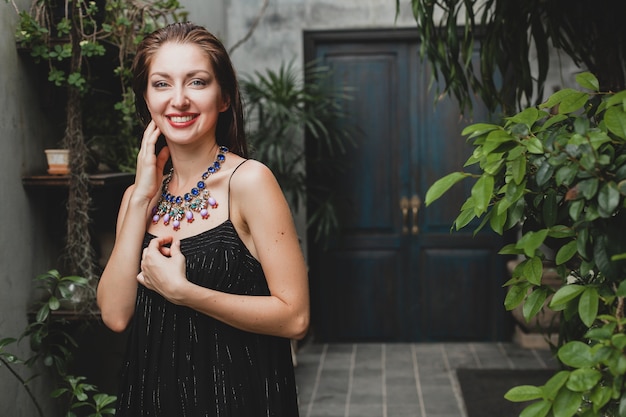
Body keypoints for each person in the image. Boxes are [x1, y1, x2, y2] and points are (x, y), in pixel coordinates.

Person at [97, 22, 310, 416]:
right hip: (151, 399)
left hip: (237, 399)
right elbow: (115, 314)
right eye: (161, 84)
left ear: (224, 97)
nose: (178, 100)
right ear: (146, 100)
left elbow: (295, 317)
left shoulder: (250, 182)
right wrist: (142, 196)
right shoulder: (137, 197)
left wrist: (184, 293)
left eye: (196, 82)